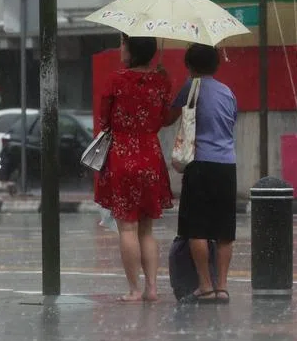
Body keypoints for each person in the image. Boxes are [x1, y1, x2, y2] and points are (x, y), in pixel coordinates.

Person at [94, 36, 174, 302]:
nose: (121, 49)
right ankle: (152, 288)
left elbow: (104, 120)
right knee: (147, 230)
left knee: (127, 229)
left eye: (124, 45)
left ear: (132, 51)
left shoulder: (116, 80)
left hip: (122, 157)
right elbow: (164, 119)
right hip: (150, 156)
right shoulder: (161, 81)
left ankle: (134, 290)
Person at [168, 44, 238, 304]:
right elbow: (231, 121)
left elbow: (168, 118)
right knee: (223, 231)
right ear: (216, 65)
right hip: (227, 165)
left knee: (197, 228)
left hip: (199, 164)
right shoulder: (228, 92)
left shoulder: (190, 88)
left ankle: (205, 286)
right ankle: (222, 287)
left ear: (190, 65)